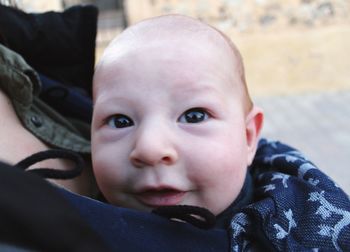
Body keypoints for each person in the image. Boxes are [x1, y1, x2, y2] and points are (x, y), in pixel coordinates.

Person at [92, 14, 350, 251]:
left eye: (194, 116)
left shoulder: (305, 222)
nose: (150, 148)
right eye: (120, 121)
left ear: (248, 137)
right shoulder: (72, 221)